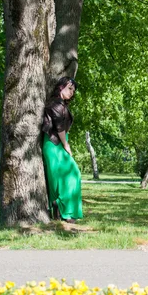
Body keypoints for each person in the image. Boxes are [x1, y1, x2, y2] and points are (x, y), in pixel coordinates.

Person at [42, 77, 83, 223]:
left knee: (67, 176)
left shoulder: (60, 104)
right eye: (69, 88)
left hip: (57, 143)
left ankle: (60, 210)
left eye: (73, 90)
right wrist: (66, 145)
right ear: (61, 87)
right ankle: (64, 211)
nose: (72, 92)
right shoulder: (55, 104)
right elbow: (59, 127)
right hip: (54, 144)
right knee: (68, 175)